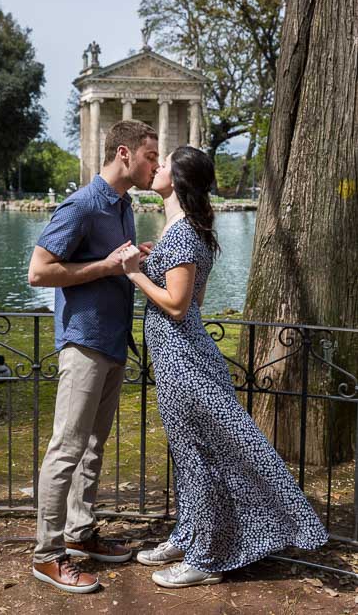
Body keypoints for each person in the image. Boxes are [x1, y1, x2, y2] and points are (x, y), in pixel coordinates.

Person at [119, 146, 328, 589]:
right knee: (191, 453)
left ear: (177, 180)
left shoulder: (184, 235)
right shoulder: (183, 231)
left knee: (203, 456)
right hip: (180, 357)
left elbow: (178, 307)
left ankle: (209, 557)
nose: (154, 167)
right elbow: (192, 299)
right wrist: (154, 263)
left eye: (164, 163)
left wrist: (136, 273)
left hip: (185, 359)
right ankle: (190, 535)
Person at [27, 120, 159, 594]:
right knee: (66, 447)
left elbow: (114, 263)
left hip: (112, 340)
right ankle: (47, 553)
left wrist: (133, 259)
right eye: (150, 156)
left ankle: (81, 534)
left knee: (92, 447)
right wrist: (107, 265)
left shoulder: (123, 205)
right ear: (124, 154)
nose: (155, 165)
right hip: (83, 341)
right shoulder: (82, 204)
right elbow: (38, 272)